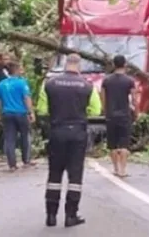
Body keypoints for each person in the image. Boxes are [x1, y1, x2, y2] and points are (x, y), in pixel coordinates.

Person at [36, 54, 102, 228]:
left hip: (57, 132)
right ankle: (70, 215)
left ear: (65, 64)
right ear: (79, 65)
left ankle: (51, 215)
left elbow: (42, 109)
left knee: (54, 174)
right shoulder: (88, 86)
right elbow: (96, 110)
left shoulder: (49, 84)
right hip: (77, 133)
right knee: (75, 175)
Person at [0, 60, 36, 171]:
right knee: (25, 136)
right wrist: (30, 112)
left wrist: (0, 114)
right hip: (21, 113)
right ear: (16, 70)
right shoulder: (22, 83)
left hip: (7, 113)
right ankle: (26, 160)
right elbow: (26, 98)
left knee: (9, 139)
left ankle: (12, 164)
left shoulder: (1, 85)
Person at [100, 54, 137, 178]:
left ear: (113, 65)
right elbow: (134, 99)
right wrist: (136, 112)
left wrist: (105, 110)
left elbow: (103, 97)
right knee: (124, 143)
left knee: (113, 143)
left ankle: (115, 168)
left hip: (111, 115)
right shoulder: (129, 81)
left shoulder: (106, 80)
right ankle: (123, 170)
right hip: (124, 115)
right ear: (125, 64)